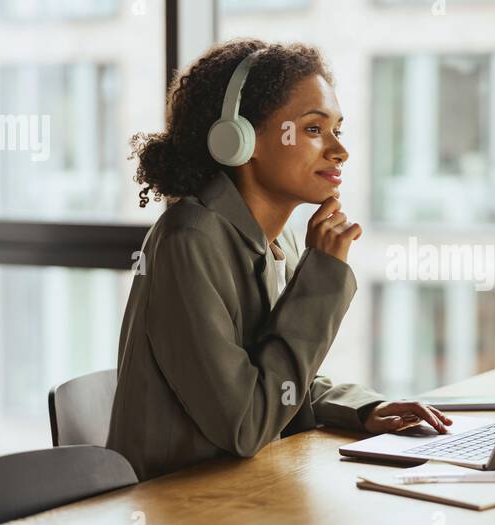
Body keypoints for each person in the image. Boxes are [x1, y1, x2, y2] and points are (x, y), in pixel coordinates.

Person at [109, 38, 451, 481]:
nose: (339, 150)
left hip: (248, 493)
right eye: (313, 130)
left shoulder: (280, 240)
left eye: (337, 130)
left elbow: (274, 376)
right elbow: (246, 422)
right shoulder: (188, 241)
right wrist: (323, 276)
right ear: (240, 139)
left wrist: (365, 408)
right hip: (180, 506)